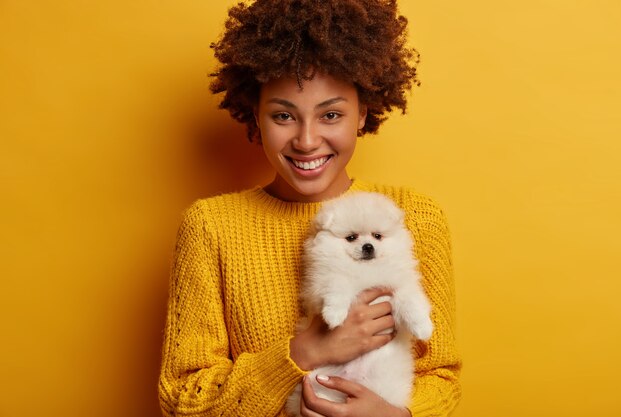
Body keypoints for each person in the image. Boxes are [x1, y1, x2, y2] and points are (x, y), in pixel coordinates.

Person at [158, 1, 462, 416]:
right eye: (284, 115)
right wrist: (304, 352)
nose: (306, 140)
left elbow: (440, 375)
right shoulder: (211, 226)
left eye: (331, 114)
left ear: (363, 114)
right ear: (256, 116)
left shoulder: (411, 216)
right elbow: (183, 398)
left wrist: (395, 415)